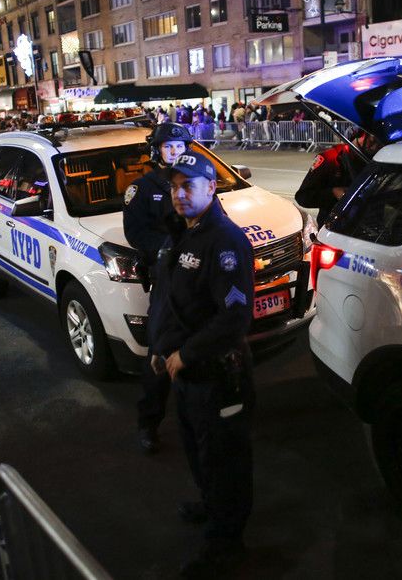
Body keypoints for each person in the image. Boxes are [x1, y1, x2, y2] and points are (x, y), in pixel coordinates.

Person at [148, 152, 255, 578]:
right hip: (187, 372)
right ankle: (212, 507)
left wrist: (186, 354)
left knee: (225, 461)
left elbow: (234, 317)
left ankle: (226, 543)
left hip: (217, 373)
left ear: (211, 187)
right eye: (174, 186)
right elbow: (170, 301)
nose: (179, 194)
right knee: (199, 452)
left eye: (188, 185)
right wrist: (160, 348)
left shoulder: (224, 241)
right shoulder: (182, 233)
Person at [123, 123, 193, 454]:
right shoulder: (142, 188)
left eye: (180, 147)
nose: (175, 152)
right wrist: (168, 247)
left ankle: (203, 417)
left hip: (197, 278)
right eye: (168, 147)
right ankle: (149, 423)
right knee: (160, 351)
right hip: (167, 278)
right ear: (157, 151)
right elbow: (136, 233)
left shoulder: (198, 182)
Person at [295, 129, 381, 227]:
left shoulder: (377, 161)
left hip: (368, 225)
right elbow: (303, 197)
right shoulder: (330, 158)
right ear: (359, 133)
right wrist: (333, 193)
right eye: (372, 141)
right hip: (334, 227)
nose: (375, 147)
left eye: (379, 144)